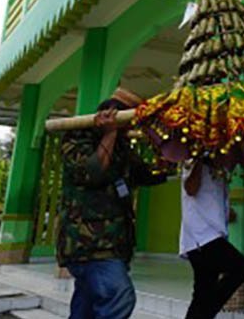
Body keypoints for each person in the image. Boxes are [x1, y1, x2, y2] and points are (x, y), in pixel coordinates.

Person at [57, 87, 167, 319]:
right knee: (119, 296)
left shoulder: (122, 148)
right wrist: (109, 134)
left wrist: (163, 143)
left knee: (85, 309)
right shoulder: (77, 137)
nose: (129, 130)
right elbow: (92, 173)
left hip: (115, 244)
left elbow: (149, 175)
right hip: (89, 245)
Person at [180, 158, 244, 319]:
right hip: (201, 237)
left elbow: (211, 199)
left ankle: (203, 313)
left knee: (202, 292)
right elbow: (190, 189)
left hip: (212, 235)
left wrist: (227, 212)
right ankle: (205, 312)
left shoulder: (219, 168)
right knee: (241, 267)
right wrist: (198, 161)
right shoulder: (193, 162)